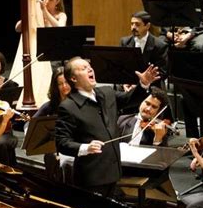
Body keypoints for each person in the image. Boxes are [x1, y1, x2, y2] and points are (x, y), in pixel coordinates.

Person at [55, 57, 160, 197]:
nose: (90, 69)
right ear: (73, 79)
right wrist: (85, 148)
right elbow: (62, 143)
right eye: (83, 68)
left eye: (89, 66)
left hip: (114, 173)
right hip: (91, 178)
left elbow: (129, 100)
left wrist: (143, 84)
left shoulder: (106, 93)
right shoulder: (68, 107)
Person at [27, 66, 73, 183]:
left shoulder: (78, 102)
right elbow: (31, 123)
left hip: (74, 144)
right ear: (55, 86)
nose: (64, 87)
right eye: (60, 84)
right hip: (55, 148)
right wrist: (31, 132)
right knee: (50, 156)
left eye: (66, 82)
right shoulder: (50, 106)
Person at [120, 11, 168, 86]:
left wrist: (143, 83)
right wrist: (124, 84)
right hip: (129, 83)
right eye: (132, 24)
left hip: (151, 85)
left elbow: (162, 73)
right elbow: (121, 66)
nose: (133, 27)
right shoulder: (125, 42)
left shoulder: (160, 45)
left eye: (137, 24)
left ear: (147, 26)